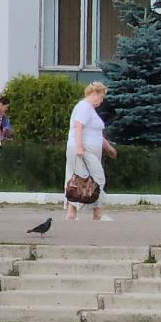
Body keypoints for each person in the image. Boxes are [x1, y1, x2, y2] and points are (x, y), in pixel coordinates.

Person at [64, 82, 117, 222]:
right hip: (83, 150)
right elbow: (78, 127)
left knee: (83, 180)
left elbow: (96, 133)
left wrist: (108, 147)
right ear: (94, 94)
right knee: (93, 179)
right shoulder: (84, 107)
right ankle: (81, 213)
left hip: (87, 150)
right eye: (101, 96)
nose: (102, 100)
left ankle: (78, 213)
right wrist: (80, 148)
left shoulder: (89, 110)